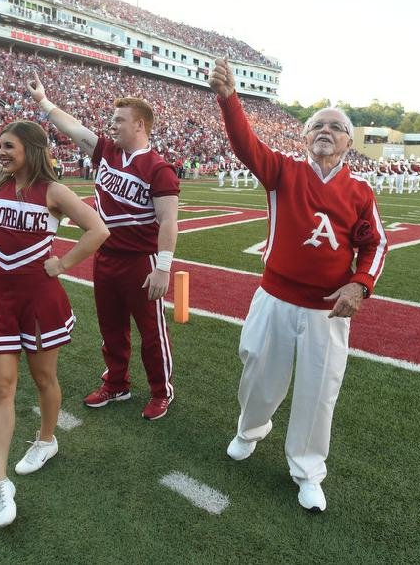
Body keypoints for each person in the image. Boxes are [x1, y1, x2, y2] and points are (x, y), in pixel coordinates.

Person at [209, 58, 388, 512]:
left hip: (326, 311)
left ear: (349, 141)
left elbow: (375, 245)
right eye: (317, 125)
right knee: (257, 371)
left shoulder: (361, 190)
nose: (326, 130)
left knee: (318, 390)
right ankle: (251, 429)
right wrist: (229, 99)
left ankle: (308, 470)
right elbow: (246, 145)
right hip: (274, 297)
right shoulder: (283, 171)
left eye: (336, 125)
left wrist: (360, 285)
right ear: (305, 137)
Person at [0, 89, 109, 528]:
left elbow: (98, 230)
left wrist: (63, 263)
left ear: (31, 151)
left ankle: (45, 439)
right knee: (1, 385)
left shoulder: (53, 191)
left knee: (43, 379)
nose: (0, 152)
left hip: (40, 300)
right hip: (0, 297)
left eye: (9, 146)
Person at [27, 72, 180, 421]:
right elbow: (73, 127)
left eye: (119, 120)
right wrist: (43, 101)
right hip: (107, 256)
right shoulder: (107, 151)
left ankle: (161, 391)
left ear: (140, 124)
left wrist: (163, 266)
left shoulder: (159, 168)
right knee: (111, 328)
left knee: (151, 332)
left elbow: (169, 220)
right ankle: (117, 383)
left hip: (142, 260)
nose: (112, 126)